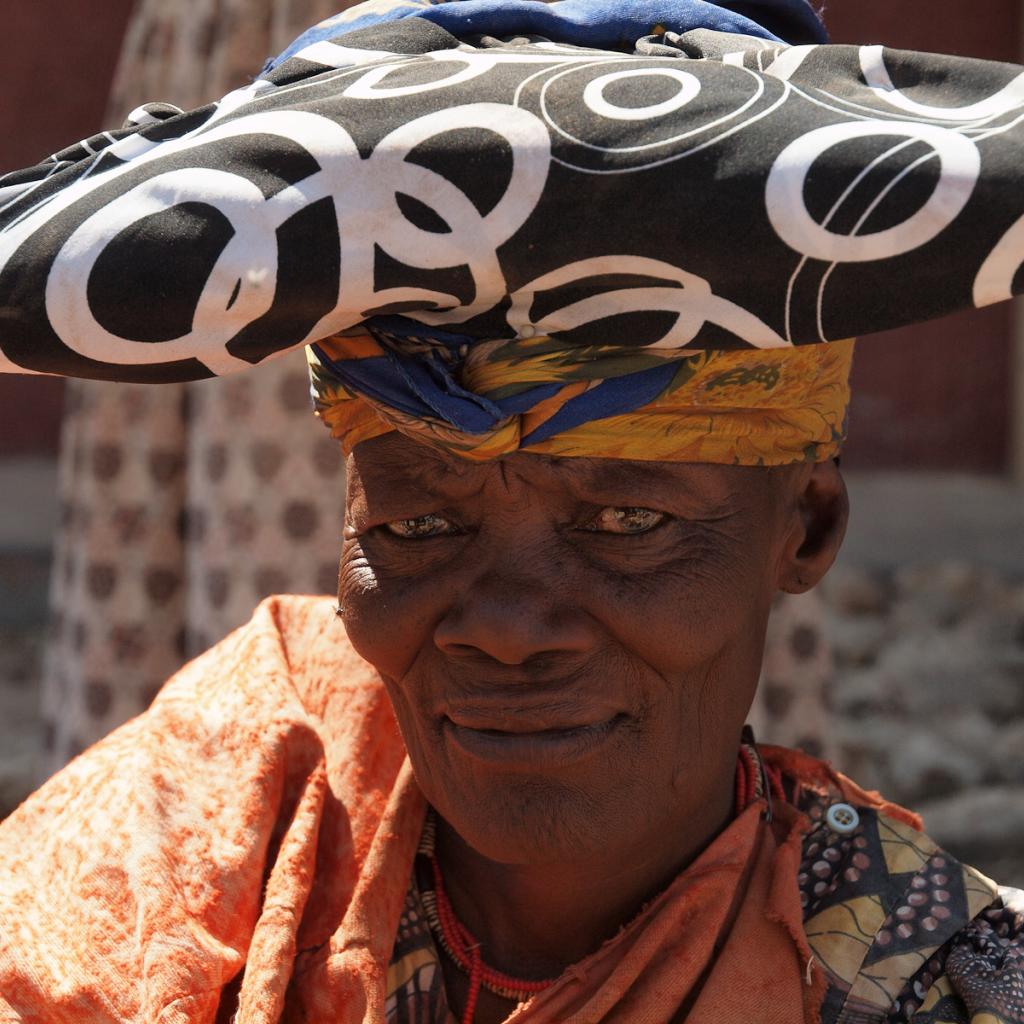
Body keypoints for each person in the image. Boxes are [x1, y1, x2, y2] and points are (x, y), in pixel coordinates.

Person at [1, 0, 1023, 1021]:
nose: (505, 626)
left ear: (805, 526)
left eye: (627, 523)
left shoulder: (925, 983)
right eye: (417, 527)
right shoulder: (226, 806)